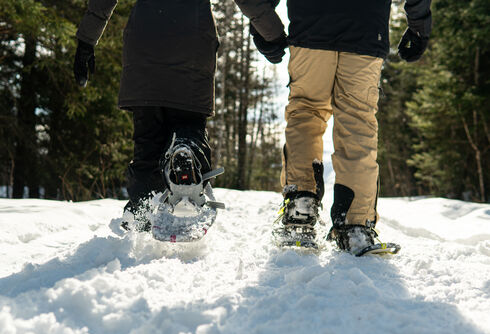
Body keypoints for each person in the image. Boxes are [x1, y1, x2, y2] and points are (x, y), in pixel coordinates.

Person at [73, 0, 287, 231]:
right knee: (189, 126)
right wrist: (273, 34)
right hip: (192, 45)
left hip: (145, 45)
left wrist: (86, 41)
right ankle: (187, 159)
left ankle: (142, 211)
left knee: (147, 145)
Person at [252, 0, 432, 254]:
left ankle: (301, 205)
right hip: (366, 27)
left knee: (306, 111)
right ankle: (356, 223)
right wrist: (419, 25)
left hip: (310, 26)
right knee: (358, 121)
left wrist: (264, 25)